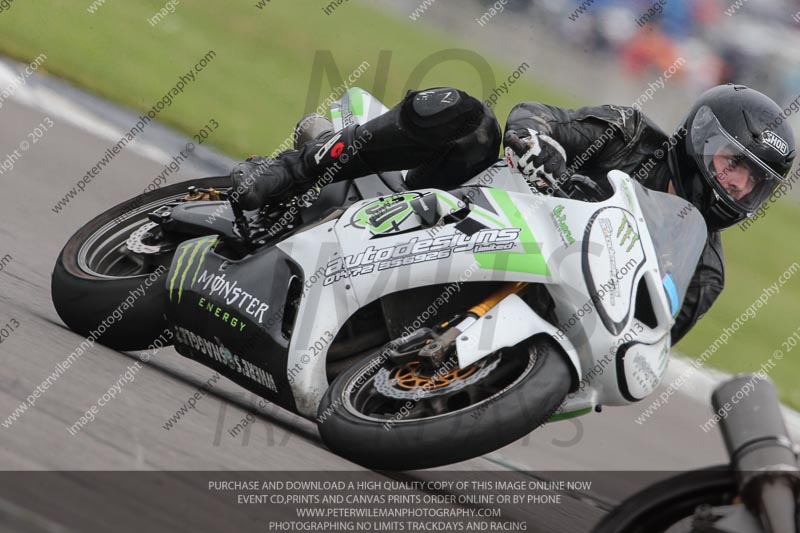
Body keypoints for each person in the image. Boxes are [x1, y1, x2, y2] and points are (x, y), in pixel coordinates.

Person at [230, 84, 795, 343]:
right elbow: (539, 116)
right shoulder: (628, 135)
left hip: (538, 296)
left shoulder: (704, 273)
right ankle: (290, 172)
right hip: (470, 208)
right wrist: (537, 143)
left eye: (753, 181)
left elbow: (648, 340)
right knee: (470, 118)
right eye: (733, 164)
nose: (736, 184)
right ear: (700, 138)